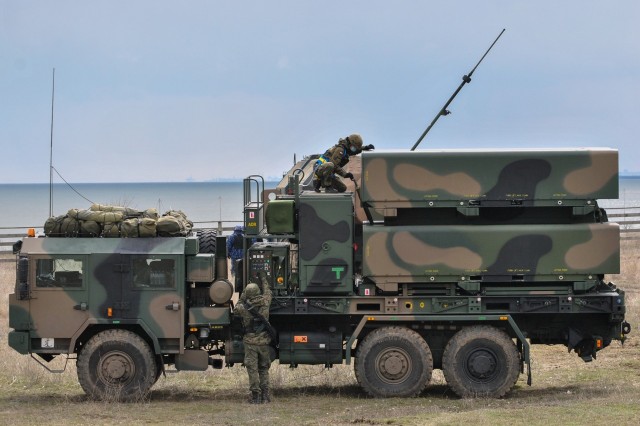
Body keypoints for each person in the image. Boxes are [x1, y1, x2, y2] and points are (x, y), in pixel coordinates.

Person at [234, 272, 274, 404]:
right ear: (258, 292)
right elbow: (268, 291)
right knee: (263, 369)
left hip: (250, 343)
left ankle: (255, 396)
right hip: (264, 342)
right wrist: (263, 278)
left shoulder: (242, 308)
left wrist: (244, 294)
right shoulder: (266, 302)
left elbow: (236, 308)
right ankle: (265, 396)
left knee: (252, 369)